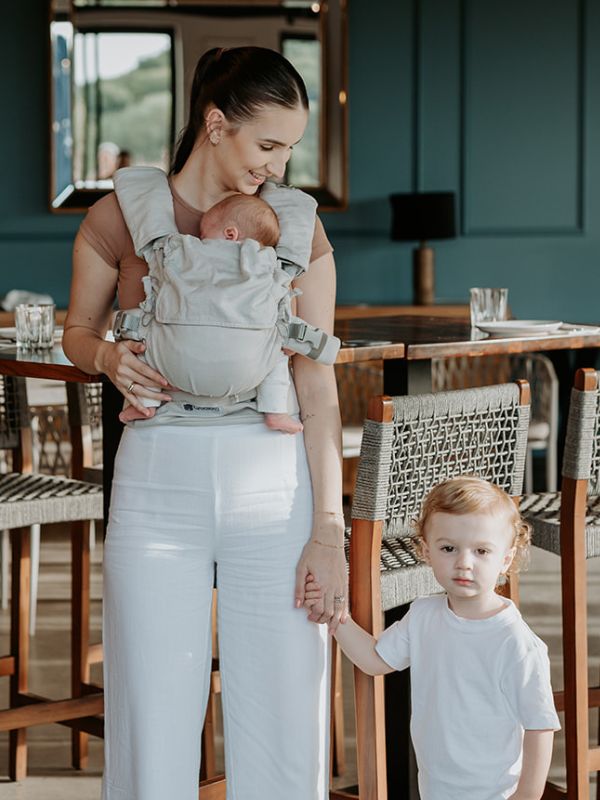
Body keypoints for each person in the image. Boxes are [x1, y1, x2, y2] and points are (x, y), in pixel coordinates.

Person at [63, 45, 346, 800]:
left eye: (290, 149)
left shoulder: (298, 230)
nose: (279, 169)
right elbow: (77, 331)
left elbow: (315, 386)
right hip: (157, 485)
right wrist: (105, 360)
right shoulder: (119, 215)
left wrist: (329, 531)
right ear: (216, 123)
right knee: (150, 715)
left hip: (273, 488)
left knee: (288, 715)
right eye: (268, 146)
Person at [305, 476, 560, 800]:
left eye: (481, 551)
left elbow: (540, 726)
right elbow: (374, 660)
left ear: (505, 559)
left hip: (495, 793)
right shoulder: (424, 615)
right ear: (426, 551)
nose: (464, 562)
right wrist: (333, 613)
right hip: (436, 788)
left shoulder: (516, 643)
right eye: (448, 548)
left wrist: (525, 797)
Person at [118, 191, 304, 434]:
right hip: (247, 372)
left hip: (172, 367)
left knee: (144, 342)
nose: (199, 239)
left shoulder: (181, 250)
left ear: (230, 234)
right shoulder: (271, 266)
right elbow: (283, 314)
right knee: (278, 354)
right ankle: (275, 411)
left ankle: (145, 404)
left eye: (204, 235)